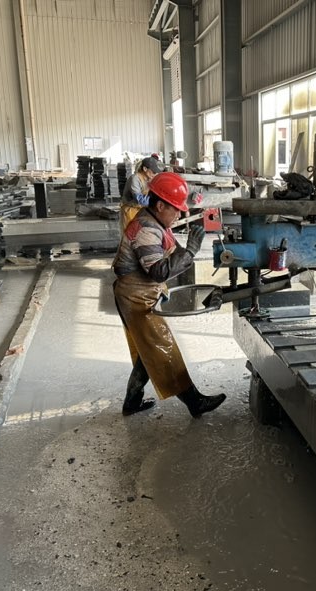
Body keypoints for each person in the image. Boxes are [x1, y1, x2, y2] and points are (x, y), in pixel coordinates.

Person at [112, 171, 226, 418]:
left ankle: (132, 402)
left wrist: (187, 253)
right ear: (160, 205)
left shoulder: (157, 223)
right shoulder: (146, 230)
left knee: (147, 351)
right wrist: (191, 252)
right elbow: (158, 271)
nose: (179, 215)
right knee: (162, 347)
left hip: (142, 292)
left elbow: (174, 253)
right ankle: (194, 402)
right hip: (135, 296)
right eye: (175, 209)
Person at [119, 156, 163, 233]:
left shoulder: (149, 179)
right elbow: (139, 199)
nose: (155, 174)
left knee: (140, 234)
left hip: (141, 210)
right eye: (153, 172)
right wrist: (154, 202)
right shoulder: (135, 179)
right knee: (130, 234)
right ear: (145, 169)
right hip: (130, 211)